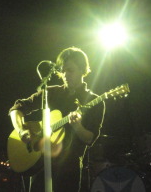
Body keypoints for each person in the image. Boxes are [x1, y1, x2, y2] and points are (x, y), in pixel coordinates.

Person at [9, 47, 105, 192]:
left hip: (68, 170)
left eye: (70, 70)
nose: (65, 74)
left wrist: (77, 127)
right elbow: (16, 108)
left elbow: (90, 138)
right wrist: (21, 130)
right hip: (40, 165)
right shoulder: (50, 92)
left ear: (83, 70)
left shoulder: (94, 101)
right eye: (63, 70)